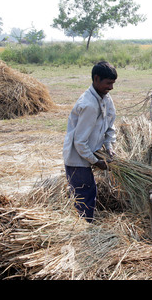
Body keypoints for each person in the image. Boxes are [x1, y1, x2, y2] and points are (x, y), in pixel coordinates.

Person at [63, 61, 117, 223]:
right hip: (77, 159)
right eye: (108, 83)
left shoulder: (106, 98)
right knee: (85, 193)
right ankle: (85, 229)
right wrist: (96, 161)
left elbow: (109, 125)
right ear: (96, 79)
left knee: (88, 192)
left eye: (113, 83)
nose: (111, 88)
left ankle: (86, 223)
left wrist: (109, 145)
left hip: (90, 153)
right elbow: (79, 142)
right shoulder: (89, 105)